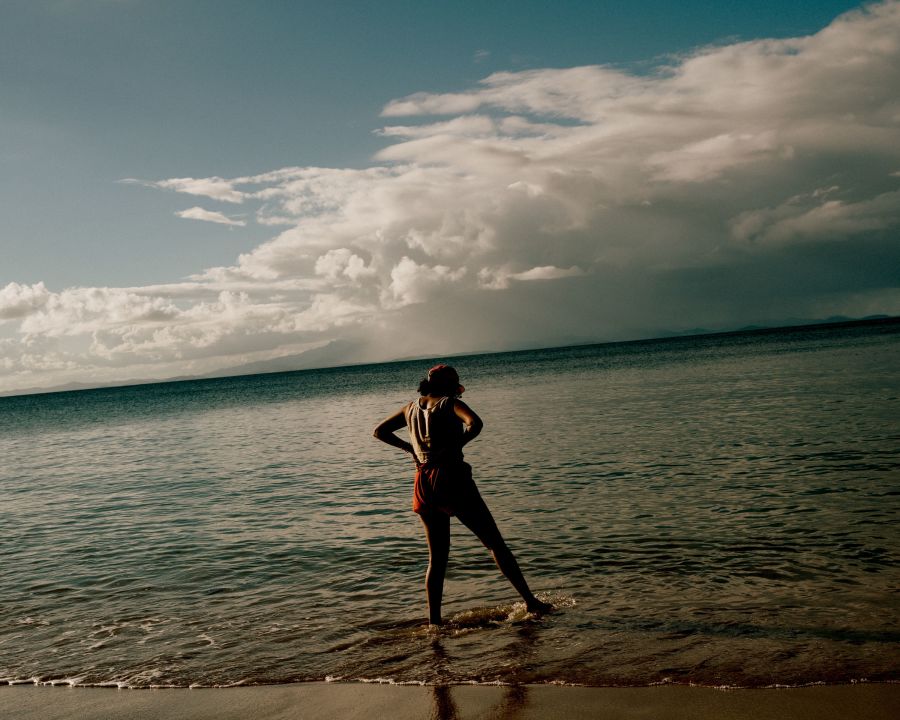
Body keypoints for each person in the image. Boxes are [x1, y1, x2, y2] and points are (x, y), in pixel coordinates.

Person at [373, 364, 551, 626]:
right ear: (450, 386)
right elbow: (475, 424)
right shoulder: (449, 404)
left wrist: (410, 449)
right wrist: (454, 446)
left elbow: (379, 431)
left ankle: (434, 622)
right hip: (452, 477)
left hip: (423, 481)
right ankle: (531, 602)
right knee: (495, 544)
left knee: (437, 558)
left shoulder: (410, 408)